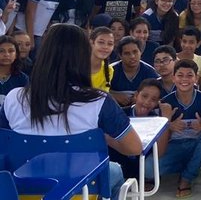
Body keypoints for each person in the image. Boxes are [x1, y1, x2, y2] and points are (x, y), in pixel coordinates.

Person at [0, 24, 142, 200]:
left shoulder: (13, 98)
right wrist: (101, 136)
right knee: (115, 171)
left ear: (43, 55)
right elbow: (134, 148)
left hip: (22, 191)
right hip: (81, 190)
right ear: (83, 57)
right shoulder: (98, 101)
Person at [157, 59, 201, 198]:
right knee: (148, 169)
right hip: (174, 146)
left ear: (196, 78)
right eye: (180, 75)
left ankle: (187, 177)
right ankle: (190, 164)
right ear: (173, 78)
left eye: (189, 75)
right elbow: (157, 136)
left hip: (197, 145)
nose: (184, 79)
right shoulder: (166, 102)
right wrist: (168, 126)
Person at [110, 37, 158, 107]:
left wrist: (142, 97)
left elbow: (158, 95)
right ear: (120, 55)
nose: (132, 56)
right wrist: (114, 95)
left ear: (141, 52)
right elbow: (98, 90)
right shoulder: (110, 70)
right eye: (127, 53)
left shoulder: (150, 72)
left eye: (135, 52)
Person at [178, 27, 201, 92]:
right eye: (184, 41)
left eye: (191, 42)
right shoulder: (173, 59)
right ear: (180, 42)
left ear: (198, 44)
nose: (187, 45)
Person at [0, 35, 28, 105]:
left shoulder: (22, 79)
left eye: (11, 51)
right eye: (1, 51)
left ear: (16, 54)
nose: (6, 54)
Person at [89, 26, 115, 92]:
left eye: (110, 44)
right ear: (91, 43)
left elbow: (102, 95)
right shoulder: (77, 65)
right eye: (101, 42)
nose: (105, 47)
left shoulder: (109, 70)